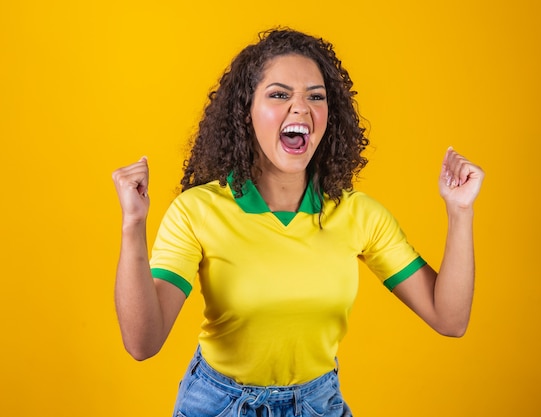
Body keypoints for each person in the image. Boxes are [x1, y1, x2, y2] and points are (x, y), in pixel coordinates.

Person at [112, 28, 484, 417]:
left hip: (317, 404)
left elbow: (450, 318)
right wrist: (132, 225)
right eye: (279, 94)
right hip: (219, 405)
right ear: (246, 112)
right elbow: (143, 343)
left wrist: (460, 212)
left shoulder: (358, 214)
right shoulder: (197, 210)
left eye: (315, 97)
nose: (301, 108)